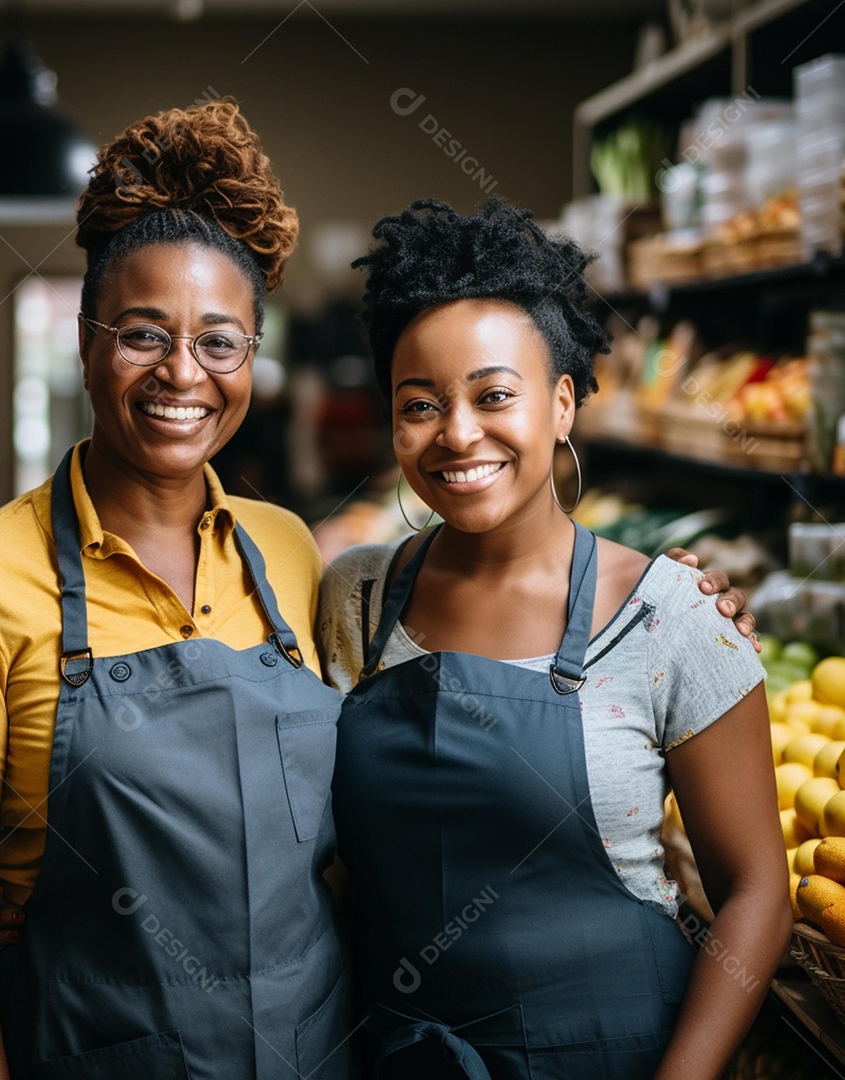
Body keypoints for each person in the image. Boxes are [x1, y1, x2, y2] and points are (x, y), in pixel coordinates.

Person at [0, 101, 355, 1080]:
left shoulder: (289, 553)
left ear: (251, 362)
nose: (182, 373)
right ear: (88, 344)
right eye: (143, 334)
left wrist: (649, 592)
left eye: (220, 342)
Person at [319, 197, 789, 1079]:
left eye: (495, 395)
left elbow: (757, 891)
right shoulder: (359, 596)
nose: (458, 434)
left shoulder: (671, 614)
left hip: (622, 1053)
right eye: (420, 404)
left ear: (564, 402)